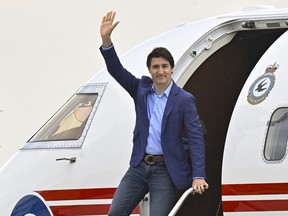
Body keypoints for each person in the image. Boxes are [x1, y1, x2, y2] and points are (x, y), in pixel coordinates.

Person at [100, 11, 209, 216]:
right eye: (156, 67)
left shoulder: (184, 99)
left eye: (165, 66)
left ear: (172, 69)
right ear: (150, 70)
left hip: (165, 171)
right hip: (139, 167)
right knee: (115, 213)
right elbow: (116, 70)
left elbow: (195, 138)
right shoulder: (141, 90)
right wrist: (107, 42)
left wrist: (198, 175)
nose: (160, 71)